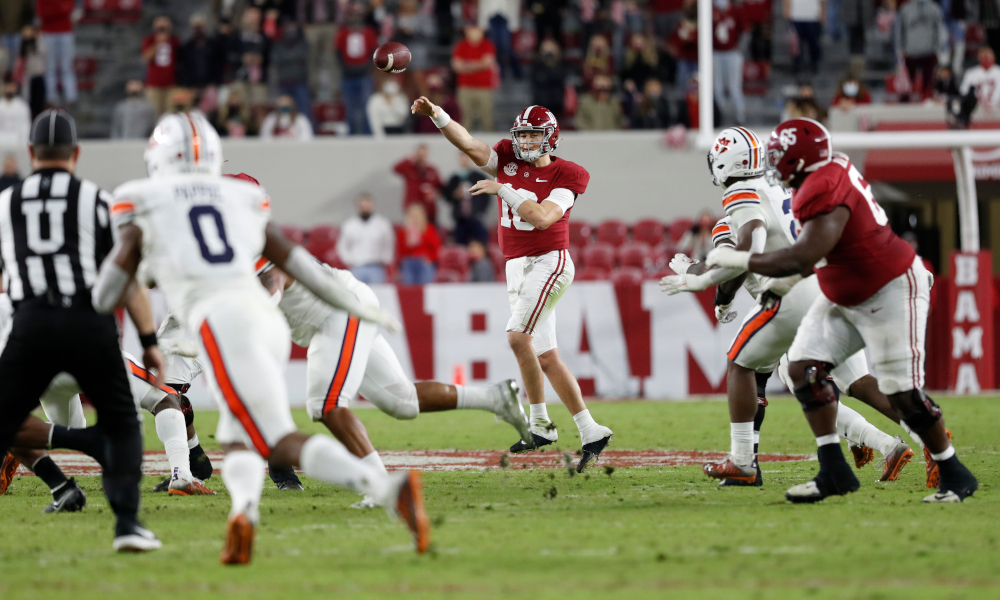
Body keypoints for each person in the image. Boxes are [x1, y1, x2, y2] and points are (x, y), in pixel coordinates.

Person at [95, 111, 429, 564]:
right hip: (265, 321)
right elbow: (298, 263)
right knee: (238, 433)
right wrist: (354, 304)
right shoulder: (241, 197)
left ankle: (384, 486)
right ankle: (244, 515)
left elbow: (112, 290)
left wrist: (120, 281)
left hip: (221, 320)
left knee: (271, 437)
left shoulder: (143, 199)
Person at [706, 118, 979, 504]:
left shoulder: (810, 187)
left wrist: (733, 269)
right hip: (838, 288)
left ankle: (949, 466)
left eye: (784, 157)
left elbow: (800, 254)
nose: (776, 163)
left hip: (881, 285)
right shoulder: (811, 180)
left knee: (901, 390)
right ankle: (835, 468)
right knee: (805, 369)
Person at [662, 127, 916, 487]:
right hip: (828, 285)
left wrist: (698, 276)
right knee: (854, 383)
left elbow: (740, 256)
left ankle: (744, 462)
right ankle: (925, 438)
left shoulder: (740, 199)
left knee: (746, 365)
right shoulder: (780, 187)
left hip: (790, 293)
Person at [411, 98, 614, 471]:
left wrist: (502, 189)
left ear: (551, 137)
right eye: (522, 135)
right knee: (545, 355)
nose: (526, 142)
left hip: (548, 261)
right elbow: (470, 144)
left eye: (534, 135)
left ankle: (541, 423)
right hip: (517, 265)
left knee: (518, 337)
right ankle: (586, 429)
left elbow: (541, 218)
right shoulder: (507, 157)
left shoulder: (568, 174)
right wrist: (438, 115)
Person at [0, 110, 160, 550]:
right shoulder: (99, 200)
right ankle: (127, 523)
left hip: (30, 324)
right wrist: (148, 341)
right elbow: (126, 276)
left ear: (30, 153)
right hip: (90, 324)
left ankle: (76, 441)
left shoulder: (5, 203)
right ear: (77, 153)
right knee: (124, 424)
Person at [335, 3, 378, 135]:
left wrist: (368, 67)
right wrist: (345, 68)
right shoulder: (342, 33)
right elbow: (337, 53)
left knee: (367, 107)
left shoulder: (369, 32)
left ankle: (367, 134)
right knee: (350, 108)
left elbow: (373, 52)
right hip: (348, 76)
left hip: (364, 75)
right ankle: (351, 134)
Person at [336, 194, 395, 284]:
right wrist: (348, 260)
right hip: (357, 267)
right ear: (357, 206)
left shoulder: (382, 224)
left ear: (372, 205)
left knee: (376, 295)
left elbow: (388, 244)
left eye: (367, 206)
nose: (365, 209)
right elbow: (342, 246)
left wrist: (385, 259)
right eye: (362, 206)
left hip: (376, 267)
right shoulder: (349, 224)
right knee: (356, 295)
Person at [895, 0, 946, 101]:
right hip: (910, 52)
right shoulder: (905, 9)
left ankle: (927, 102)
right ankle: (905, 106)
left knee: (928, 83)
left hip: (929, 51)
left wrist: (939, 48)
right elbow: (900, 30)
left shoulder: (934, 8)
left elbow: (939, 29)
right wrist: (900, 48)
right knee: (908, 83)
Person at [452, 23, 497, 132]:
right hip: (465, 87)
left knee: (486, 118)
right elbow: (456, 66)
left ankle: (490, 147)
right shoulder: (460, 45)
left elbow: (487, 63)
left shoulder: (487, 44)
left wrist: (467, 65)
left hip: (484, 87)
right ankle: (463, 146)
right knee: (465, 118)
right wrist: (478, 65)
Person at [442, 152, 489, 244]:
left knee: (480, 242)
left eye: (466, 158)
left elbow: (486, 197)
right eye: (462, 158)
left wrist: (481, 210)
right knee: (460, 244)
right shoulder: (454, 179)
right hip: (460, 218)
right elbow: (447, 196)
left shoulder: (479, 177)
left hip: (476, 217)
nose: (464, 160)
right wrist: (454, 195)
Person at [36, 0, 76, 107]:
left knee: (67, 67)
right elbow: (41, 13)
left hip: (65, 32)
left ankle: (71, 97)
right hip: (49, 33)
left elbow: (69, 9)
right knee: (50, 67)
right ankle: (51, 97)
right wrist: (60, 9)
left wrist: (53, 10)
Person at [713, 0, 746, 125]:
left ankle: (740, 117)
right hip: (716, 53)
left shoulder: (736, 11)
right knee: (717, 86)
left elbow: (745, 30)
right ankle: (720, 116)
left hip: (732, 52)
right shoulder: (711, 12)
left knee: (734, 86)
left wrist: (740, 49)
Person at [271, 19, 311, 121]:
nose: (290, 31)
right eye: (288, 28)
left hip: (300, 83)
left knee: (304, 112)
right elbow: (276, 59)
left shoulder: (303, 43)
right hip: (284, 84)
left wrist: (287, 58)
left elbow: (304, 56)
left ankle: (307, 133)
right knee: (284, 113)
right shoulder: (279, 44)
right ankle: (285, 132)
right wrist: (294, 59)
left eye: (292, 28)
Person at [140, 16, 180, 118]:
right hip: (153, 85)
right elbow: (145, 58)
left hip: (171, 84)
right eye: (160, 29)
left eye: (164, 29)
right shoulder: (149, 40)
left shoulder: (174, 41)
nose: (162, 31)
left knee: (170, 114)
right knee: (153, 114)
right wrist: (158, 43)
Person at [394, 144, 443, 224]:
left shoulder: (432, 170)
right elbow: (396, 168)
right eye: (420, 155)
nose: (422, 157)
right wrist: (410, 157)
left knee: (430, 233)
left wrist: (436, 194)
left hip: (429, 210)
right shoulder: (409, 168)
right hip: (412, 209)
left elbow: (440, 187)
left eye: (424, 155)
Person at [177, 14, 223, 95]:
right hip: (191, 87)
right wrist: (188, 85)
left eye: (201, 27)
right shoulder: (186, 47)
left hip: (210, 87)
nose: (198, 30)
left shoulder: (214, 45)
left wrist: (214, 83)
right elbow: (183, 68)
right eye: (196, 27)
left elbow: (219, 65)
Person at [397, 203, 441, 284]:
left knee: (425, 287)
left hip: (424, 262)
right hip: (409, 261)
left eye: (417, 215)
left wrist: (430, 259)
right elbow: (400, 250)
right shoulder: (403, 231)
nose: (415, 217)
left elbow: (436, 248)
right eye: (413, 215)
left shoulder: (429, 229)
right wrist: (409, 236)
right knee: (408, 288)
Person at [479, 0, 522, 80]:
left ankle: (517, 72)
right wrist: (482, 23)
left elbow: (514, 5)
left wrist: (515, 23)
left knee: (506, 48)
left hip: (506, 19)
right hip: (491, 19)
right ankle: (500, 73)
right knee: (493, 48)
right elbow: (484, 5)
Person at [530, 40, 568, 120]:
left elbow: (561, 77)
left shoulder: (562, 64)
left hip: (558, 103)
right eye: (546, 49)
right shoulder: (537, 65)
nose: (548, 52)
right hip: (541, 102)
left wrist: (547, 76)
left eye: (551, 49)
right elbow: (536, 79)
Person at [785, 0, 824, 75]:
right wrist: (786, 9)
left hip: (813, 16)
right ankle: (796, 64)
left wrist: (823, 12)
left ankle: (814, 63)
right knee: (796, 44)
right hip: (796, 16)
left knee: (814, 42)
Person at [16, 24, 46, 117]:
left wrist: (36, 37)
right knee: (29, 103)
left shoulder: (39, 43)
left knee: (39, 102)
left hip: (39, 76)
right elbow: (21, 58)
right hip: (29, 77)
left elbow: (43, 51)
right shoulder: (25, 46)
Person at [960, 47, 1000, 113]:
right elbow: (964, 92)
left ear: (993, 57)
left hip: (997, 109)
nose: (986, 59)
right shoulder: (971, 73)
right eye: (984, 56)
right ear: (979, 58)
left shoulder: (998, 72)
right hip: (976, 110)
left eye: (988, 56)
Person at [0, 0, 32, 73]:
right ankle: (7, 77)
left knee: (18, 59)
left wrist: (26, 26)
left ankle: (17, 78)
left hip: (18, 32)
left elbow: (27, 12)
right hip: (4, 32)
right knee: (5, 59)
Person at [0, 78, 30, 145]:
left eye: (11, 87)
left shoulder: (22, 106)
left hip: (18, 139)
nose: (9, 89)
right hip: (1, 139)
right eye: (7, 87)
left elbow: (25, 126)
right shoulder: (1, 105)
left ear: (15, 88)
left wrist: (23, 142)